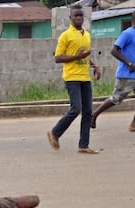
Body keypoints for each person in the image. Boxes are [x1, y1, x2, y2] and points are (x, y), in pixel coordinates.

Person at [47, 4, 101, 154]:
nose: (79, 18)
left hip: (85, 77)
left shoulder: (87, 35)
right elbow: (58, 58)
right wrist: (79, 56)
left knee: (88, 111)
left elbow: (86, 55)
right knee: (76, 108)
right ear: (70, 18)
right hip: (72, 77)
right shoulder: (65, 35)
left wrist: (94, 66)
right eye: (76, 15)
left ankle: (83, 145)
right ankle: (55, 133)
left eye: (81, 16)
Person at [91, 10, 135, 132]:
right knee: (116, 98)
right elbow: (114, 51)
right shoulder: (127, 33)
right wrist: (128, 63)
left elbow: (132, 51)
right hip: (126, 74)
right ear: (133, 19)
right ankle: (94, 114)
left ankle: (134, 124)